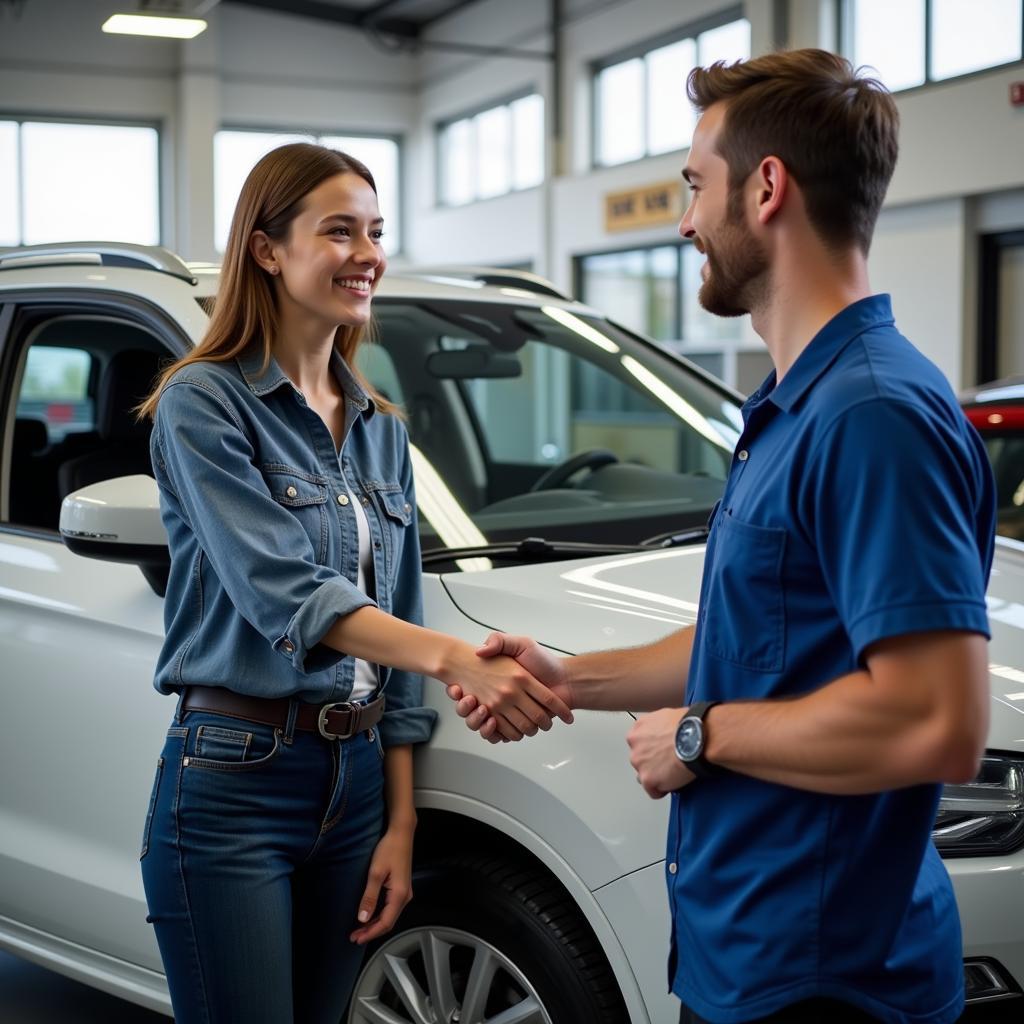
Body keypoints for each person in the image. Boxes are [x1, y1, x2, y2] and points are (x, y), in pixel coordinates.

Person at [448, 49, 996, 1024]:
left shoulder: (871, 415)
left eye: (696, 186)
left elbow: (935, 721)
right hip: (751, 951)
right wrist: (569, 679)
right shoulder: (795, 403)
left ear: (768, 187)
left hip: (828, 973)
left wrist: (701, 735)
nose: (686, 220)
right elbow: (756, 642)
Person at [136, 142, 572, 1024]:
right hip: (234, 784)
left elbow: (398, 634)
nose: (368, 253)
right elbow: (289, 595)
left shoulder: (380, 430)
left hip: (359, 784)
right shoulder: (202, 404)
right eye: (339, 230)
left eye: (376, 231)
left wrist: (400, 823)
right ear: (267, 249)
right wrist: (464, 658)